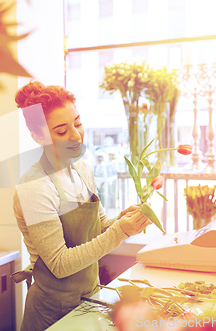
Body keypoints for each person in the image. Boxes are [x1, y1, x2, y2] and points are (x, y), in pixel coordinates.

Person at [12, 81, 152, 331]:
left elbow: (98, 228)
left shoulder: (81, 170)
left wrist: (123, 220)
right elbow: (60, 263)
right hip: (51, 311)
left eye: (77, 123)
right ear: (38, 137)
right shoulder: (35, 186)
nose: (76, 135)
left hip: (89, 297)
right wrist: (121, 231)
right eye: (61, 131)